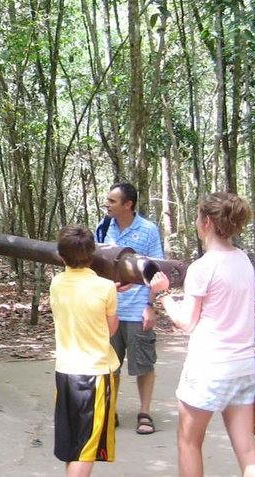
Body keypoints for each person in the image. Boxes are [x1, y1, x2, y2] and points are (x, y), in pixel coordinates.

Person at [157, 192, 255, 477]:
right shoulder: (243, 260)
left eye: (197, 217)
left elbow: (186, 322)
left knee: (189, 442)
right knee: (247, 449)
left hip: (209, 367)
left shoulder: (203, 267)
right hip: (242, 366)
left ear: (205, 221)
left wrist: (163, 294)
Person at [50, 224, 121, 476]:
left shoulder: (56, 283)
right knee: (86, 449)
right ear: (93, 254)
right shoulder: (106, 288)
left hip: (65, 373)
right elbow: (111, 329)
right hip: (95, 375)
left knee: (73, 446)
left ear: (61, 256)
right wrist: (112, 290)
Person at [97, 182, 165, 434]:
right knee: (108, 364)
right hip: (110, 309)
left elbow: (155, 270)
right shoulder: (103, 228)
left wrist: (150, 306)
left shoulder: (148, 230)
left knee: (143, 364)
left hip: (137, 309)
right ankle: (109, 411)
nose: (107, 204)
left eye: (112, 201)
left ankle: (144, 413)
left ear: (128, 205)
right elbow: (96, 265)